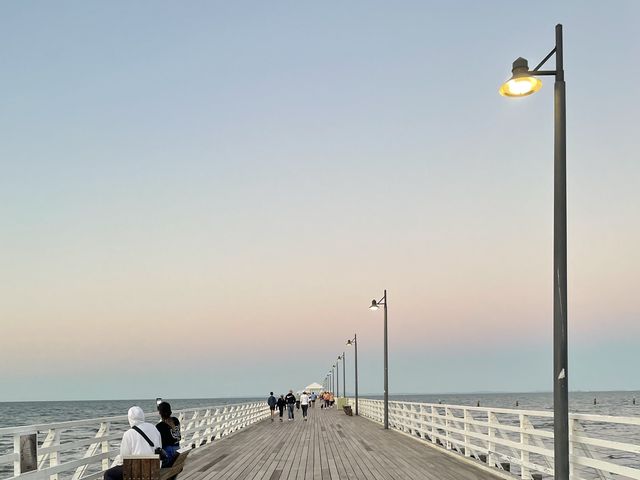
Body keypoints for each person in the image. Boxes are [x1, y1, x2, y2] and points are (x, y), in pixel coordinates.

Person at [103, 406, 162, 480]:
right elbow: (159, 446)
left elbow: (124, 457)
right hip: (155, 468)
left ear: (130, 418)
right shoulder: (153, 428)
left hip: (137, 470)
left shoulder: (128, 434)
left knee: (108, 474)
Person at [156, 402, 181, 467]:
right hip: (177, 448)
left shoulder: (160, 426)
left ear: (160, 413)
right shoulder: (176, 420)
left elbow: (160, 442)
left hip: (168, 452)